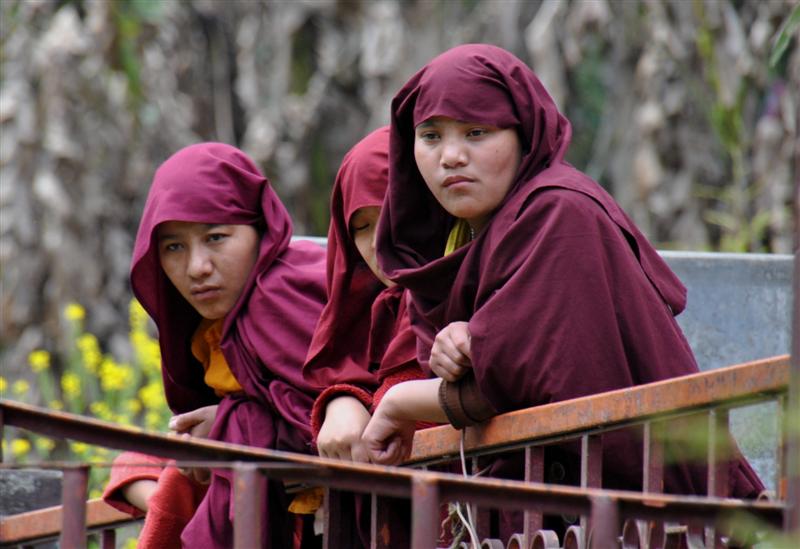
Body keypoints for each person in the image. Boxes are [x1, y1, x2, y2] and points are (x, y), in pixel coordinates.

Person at [361, 44, 764, 536]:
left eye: (477, 132)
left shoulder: (559, 213)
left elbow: (516, 376)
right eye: (430, 136)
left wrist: (402, 402)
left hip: (651, 520)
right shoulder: (462, 237)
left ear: (525, 134)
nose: (451, 156)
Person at [102, 142, 327, 548]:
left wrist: (227, 424)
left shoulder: (281, 295)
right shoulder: (211, 331)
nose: (196, 268)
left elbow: (331, 422)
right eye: (173, 247)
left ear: (262, 230)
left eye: (216, 237)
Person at [302, 126, 429, 547]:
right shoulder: (379, 313)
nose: (379, 242)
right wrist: (342, 401)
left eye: (392, 213)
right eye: (361, 226)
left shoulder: (478, 290)